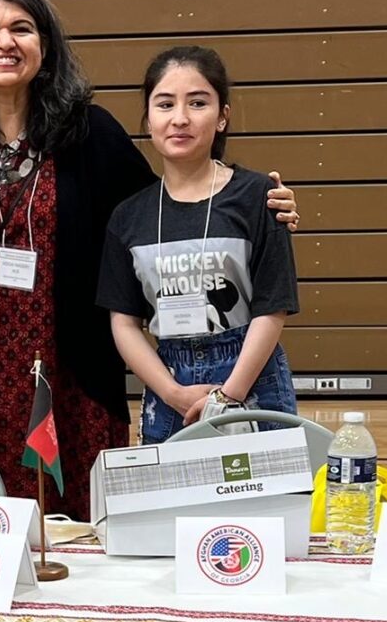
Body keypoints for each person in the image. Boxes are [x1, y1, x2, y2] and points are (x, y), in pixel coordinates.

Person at [0, 0, 300, 519]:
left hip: (81, 355)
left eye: (22, 28)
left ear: (45, 48)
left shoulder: (88, 131)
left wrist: (268, 207)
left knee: (96, 508)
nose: (5, 41)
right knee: (15, 503)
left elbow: (170, 208)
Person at [98, 46, 300, 445]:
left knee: (269, 502)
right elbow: (124, 324)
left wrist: (228, 397)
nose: (180, 118)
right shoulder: (128, 216)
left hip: (252, 376)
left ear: (223, 116)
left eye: (198, 102)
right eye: (165, 103)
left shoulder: (260, 196)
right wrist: (172, 393)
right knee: (169, 504)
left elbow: (271, 308)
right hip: (170, 380)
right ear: (149, 118)